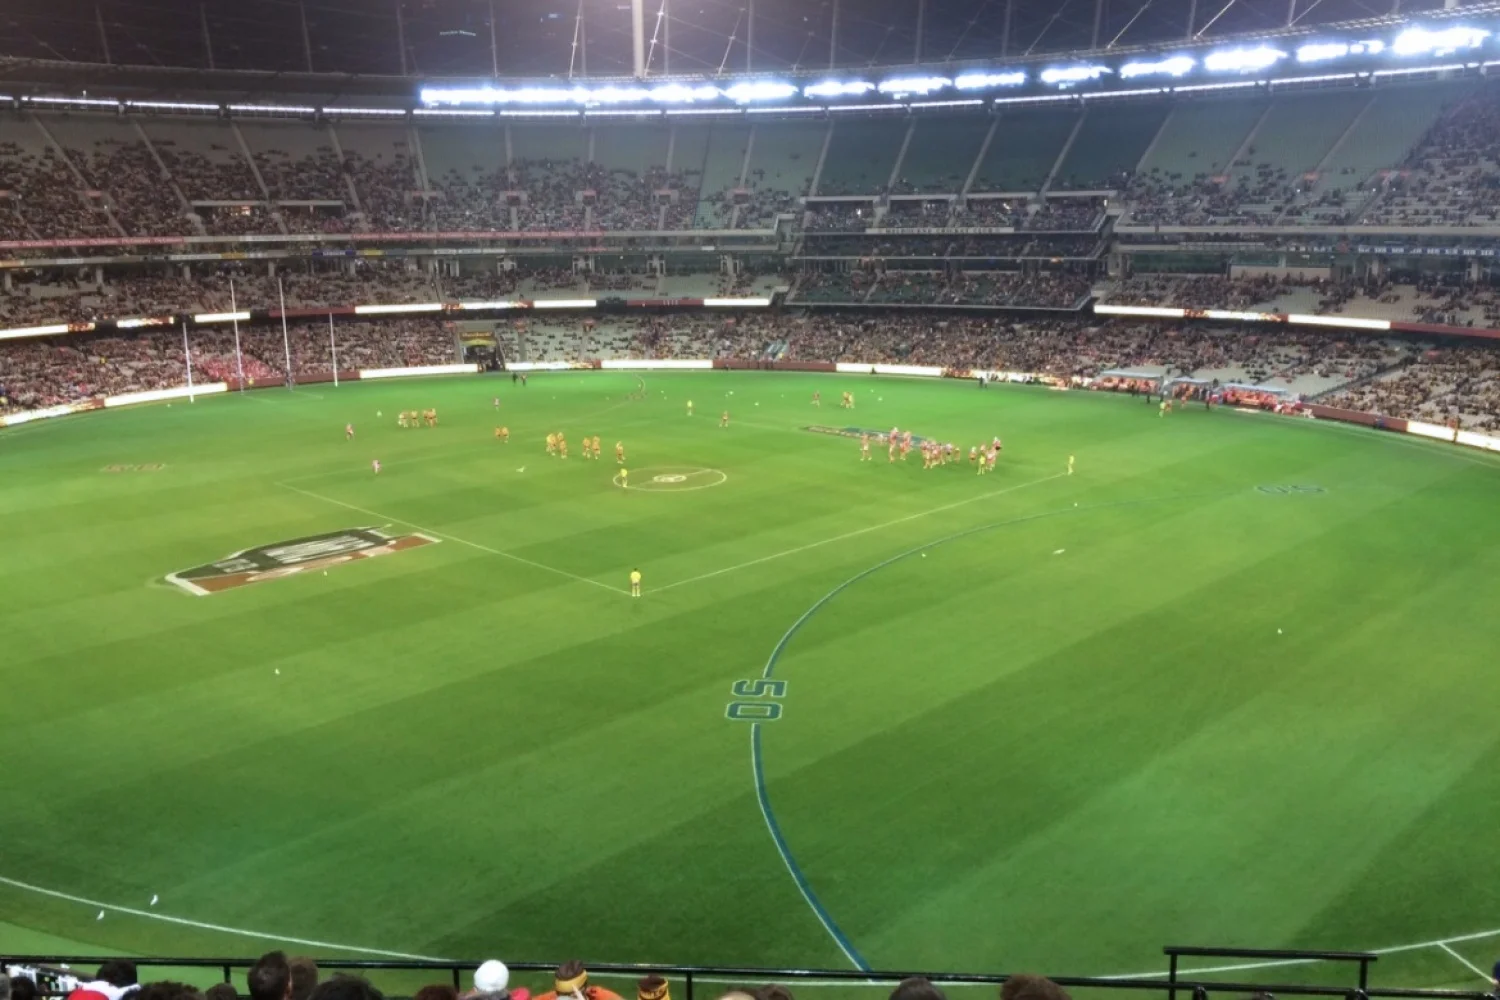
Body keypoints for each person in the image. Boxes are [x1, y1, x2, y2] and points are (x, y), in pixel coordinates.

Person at [533, 963, 622, 1000]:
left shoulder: (604, 997)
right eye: (561, 994)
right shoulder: (551, 997)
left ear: (585, 988)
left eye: (572, 995)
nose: (566, 998)